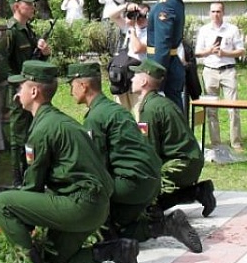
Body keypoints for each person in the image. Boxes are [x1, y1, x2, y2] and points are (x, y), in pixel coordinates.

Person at [0, 61, 138, 263]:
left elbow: (32, 187)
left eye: (20, 88)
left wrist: (21, 226)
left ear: (34, 91)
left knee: (3, 203)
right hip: (97, 206)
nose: (16, 94)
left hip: (80, 206)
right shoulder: (61, 120)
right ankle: (115, 250)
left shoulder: (42, 130)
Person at [68, 62, 203, 252]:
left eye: (71, 85)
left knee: (105, 229)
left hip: (131, 184)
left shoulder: (95, 117)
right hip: (150, 180)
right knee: (119, 222)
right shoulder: (116, 110)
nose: (69, 91)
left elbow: (97, 167)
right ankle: (164, 222)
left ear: (83, 85)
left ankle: (159, 225)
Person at [131, 58, 216, 217]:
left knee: (146, 201)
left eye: (135, 75)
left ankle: (190, 194)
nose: (132, 78)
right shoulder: (160, 102)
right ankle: (198, 191)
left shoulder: (149, 109)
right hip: (189, 161)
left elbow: (149, 152)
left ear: (144, 81)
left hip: (180, 165)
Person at [5, 0, 51, 185]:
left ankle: (31, 172)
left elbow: (35, 61)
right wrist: (18, 86)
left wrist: (44, 52)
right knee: (18, 136)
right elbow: (2, 64)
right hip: (18, 93)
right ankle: (17, 177)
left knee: (32, 132)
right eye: (28, 3)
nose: (33, 7)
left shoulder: (28, 31)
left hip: (33, 91)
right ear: (17, 6)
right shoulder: (11, 31)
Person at [194, 1, 245, 150]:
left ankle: (236, 143)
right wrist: (209, 51)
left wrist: (225, 53)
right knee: (211, 110)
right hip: (210, 70)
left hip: (228, 70)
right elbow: (197, 52)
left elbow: (241, 51)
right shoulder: (204, 30)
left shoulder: (232, 29)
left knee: (233, 108)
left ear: (223, 13)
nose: (215, 14)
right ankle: (216, 143)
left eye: (218, 11)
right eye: (213, 12)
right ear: (209, 13)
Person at [145, 0, 186, 110]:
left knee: (163, 113)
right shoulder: (174, 0)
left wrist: (156, 75)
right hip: (171, 64)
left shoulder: (165, 5)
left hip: (163, 67)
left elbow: (163, 44)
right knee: (173, 111)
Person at [114, 2, 149, 110]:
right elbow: (112, 15)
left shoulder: (151, 32)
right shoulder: (130, 26)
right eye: (137, 15)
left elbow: (137, 49)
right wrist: (127, 6)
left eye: (143, 15)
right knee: (121, 112)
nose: (140, 18)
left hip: (139, 76)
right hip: (124, 75)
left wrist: (132, 29)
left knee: (139, 112)